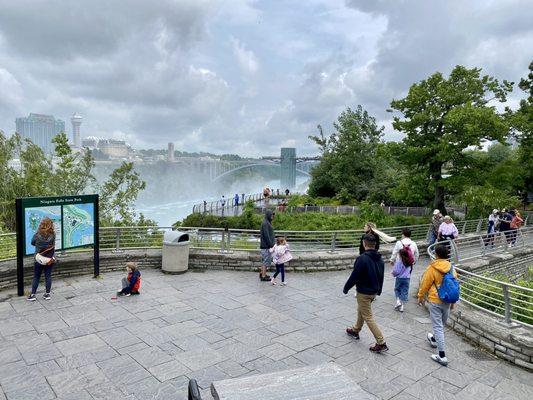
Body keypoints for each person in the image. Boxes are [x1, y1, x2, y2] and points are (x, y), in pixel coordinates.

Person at [344, 234, 388, 353]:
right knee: (361, 310)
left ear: (364, 243)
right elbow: (381, 276)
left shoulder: (362, 258)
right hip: (373, 291)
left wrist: (346, 288)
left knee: (368, 317)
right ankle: (356, 330)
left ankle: (381, 342)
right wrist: (378, 290)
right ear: (375, 245)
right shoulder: (380, 258)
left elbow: (354, 276)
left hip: (364, 292)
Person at [417, 244, 458, 366]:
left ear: (436, 255)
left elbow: (425, 284)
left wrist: (420, 297)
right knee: (441, 324)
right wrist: (453, 302)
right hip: (447, 300)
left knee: (438, 327)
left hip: (435, 300)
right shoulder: (451, 268)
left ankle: (442, 356)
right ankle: (434, 339)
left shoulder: (432, 268)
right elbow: (455, 286)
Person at [27, 217, 56, 301]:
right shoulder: (53, 234)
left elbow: (32, 242)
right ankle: (47, 294)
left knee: (36, 276)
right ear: (50, 225)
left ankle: (33, 295)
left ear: (42, 224)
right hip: (49, 258)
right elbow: (53, 245)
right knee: (48, 276)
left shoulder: (37, 234)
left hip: (38, 258)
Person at [391, 248, 413, 313]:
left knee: (397, 289)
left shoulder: (399, 262)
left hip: (399, 278)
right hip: (407, 278)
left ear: (400, 255)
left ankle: (398, 301)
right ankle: (402, 306)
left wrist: (393, 273)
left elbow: (396, 271)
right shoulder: (409, 262)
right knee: (404, 290)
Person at [259, 210, 275, 281]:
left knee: (265, 261)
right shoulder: (265, 223)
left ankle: (262, 273)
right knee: (265, 261)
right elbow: (266, 235)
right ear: (268, 215)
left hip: (266, 245)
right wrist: (271, 244)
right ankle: (263, 276)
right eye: (271, 215)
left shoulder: (267, 222)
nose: (273, 217)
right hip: (266, 246)